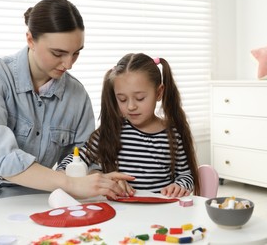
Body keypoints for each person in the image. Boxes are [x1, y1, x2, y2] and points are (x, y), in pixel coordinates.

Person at [0, 0, 133, 244]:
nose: (68, 64)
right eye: (58, 53)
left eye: (76, 53)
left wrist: (99, 180)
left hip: (23, 208)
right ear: (30, 39)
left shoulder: (77, 96)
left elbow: (84, 157)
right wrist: (71, 183)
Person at [58, 53, 201, 198]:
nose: (131, 106)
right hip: (121, 211)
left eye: (140, 98)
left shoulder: (172, 134)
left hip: (160, 210)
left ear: (159, 92)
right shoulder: (112, 130)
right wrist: (62, 173)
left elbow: (185, 175)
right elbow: (79, 157)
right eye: (122, 99)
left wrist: (179, 186)